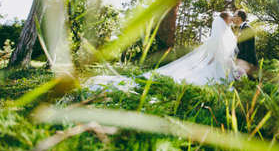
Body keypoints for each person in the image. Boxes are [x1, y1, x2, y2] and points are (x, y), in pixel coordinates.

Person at [85, 11, 239, 91]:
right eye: (230, 20)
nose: (231, 22)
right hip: (216, 65)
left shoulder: (215, 38)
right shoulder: (219, 38)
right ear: (224, 21)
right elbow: (216, 55)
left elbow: (213, 55)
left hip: (216, 64)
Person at [233, 9, 258, 79]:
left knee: (253, 86)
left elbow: (248, 49)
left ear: (239, 18)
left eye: (234, 16)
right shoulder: (240, 29)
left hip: (248, 63)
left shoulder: (247, 29)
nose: (233, 18)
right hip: (242, 63)